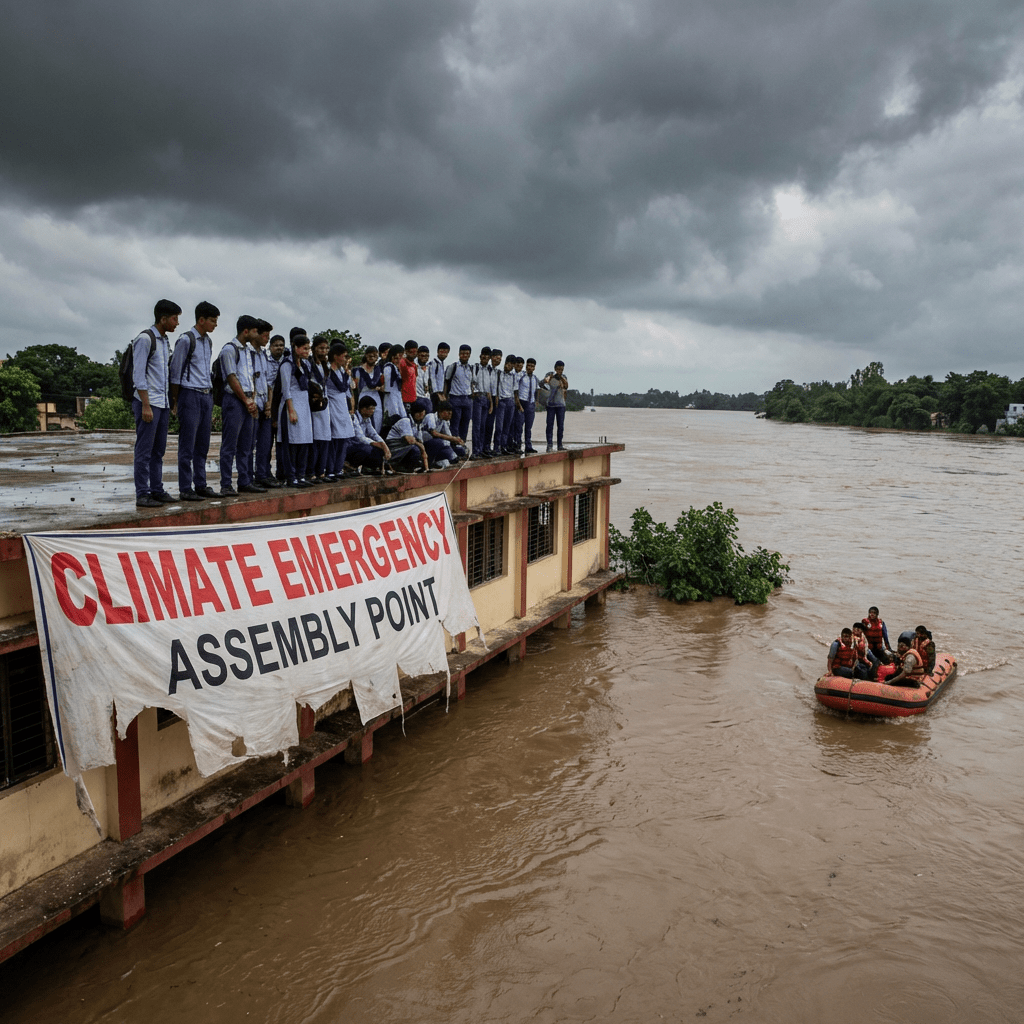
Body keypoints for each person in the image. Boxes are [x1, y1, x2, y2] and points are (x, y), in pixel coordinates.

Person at [131, 299, 181, 508]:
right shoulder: (145, 339)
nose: (177, 323)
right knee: (144, 451)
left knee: (158, 451)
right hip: (148, 403)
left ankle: (157, 489)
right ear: (163, 319)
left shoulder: (164, 341)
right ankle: (143, 493)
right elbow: (138, 374)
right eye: (174, 318)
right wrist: (145, 404)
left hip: (162, 403)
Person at [169, 300, 219, 501]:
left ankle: (200, 484)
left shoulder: (207, 341)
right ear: (201, 320)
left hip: (206, 394)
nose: (215, 324)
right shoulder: (186, 340)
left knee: (203, 444)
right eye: (213, 321)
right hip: (189, 394)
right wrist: (175, 401)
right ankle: (185, 488)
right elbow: (175, 373)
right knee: (187, 444)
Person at [218, 315, 263, 496]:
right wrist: (246, 400)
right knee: (230, 444)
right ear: (246, 331)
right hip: (234, 400)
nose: (257, 334)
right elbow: (231, 377)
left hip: (247, 400)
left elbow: (249, 378)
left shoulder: (247, 351)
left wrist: (251, 400)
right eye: (255, 331)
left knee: (246, 445)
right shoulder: (229, 350)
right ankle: (226, 484)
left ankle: (245, 480)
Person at [277, 334, 314, 487]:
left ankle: (301, 474)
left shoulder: (305, 365)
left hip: (304, 404)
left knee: (304, 441)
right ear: (296, 348)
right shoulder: (287, 364)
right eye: (304, 348)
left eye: (308, 348)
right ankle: (291, 477)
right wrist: (291, 409)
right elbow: (286, 389)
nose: (307, 351)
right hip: (291, 404)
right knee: (291, 442)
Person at [251, 318, 280, 489]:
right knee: (249, 445)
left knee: (265, 444)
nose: (267, 338)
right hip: (253, 404)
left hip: (265, 404)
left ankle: (263, 474)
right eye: (265, 335)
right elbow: (249, 379)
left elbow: (268, 382)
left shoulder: (262, 354)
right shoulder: (248, 353)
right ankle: (249, 477)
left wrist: (269, 403)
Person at [325, 341, 355, 480]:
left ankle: (338, 468)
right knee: (334, 440)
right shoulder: (328, 369)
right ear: (336, 356)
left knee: (344, 439)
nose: (345, 359)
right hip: (332, 405)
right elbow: (339, 387)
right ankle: (330, 469)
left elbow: (348, 389)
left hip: (342, 405)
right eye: (343, 356)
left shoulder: (342, 371)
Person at [260, 333, 286, 487]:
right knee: (266, 442)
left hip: (283, 404)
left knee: (282, 442)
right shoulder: (265, 361)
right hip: (269, 404)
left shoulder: (286, 362)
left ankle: (281, 472)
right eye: (276, 345)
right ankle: (264, 472)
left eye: (281, 345)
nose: (279, 348)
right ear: (270, 347)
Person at [348, 395, 392, 475]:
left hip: (360, 445)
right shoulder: (354, 418)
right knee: (367, 448)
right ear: (363, 409)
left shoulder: (367, 419)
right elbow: (360, 437)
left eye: (373, 409)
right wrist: (376, 444)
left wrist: (384, 445)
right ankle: (351, 467)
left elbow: (373, 434)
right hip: (351, 446)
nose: (373, 411)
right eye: (371, 409)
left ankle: (373, 467)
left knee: (379, 448)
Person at [309, 336, 332, 482]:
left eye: (325, 348)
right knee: (315, 439)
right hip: (313, 404)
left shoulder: (325, 366)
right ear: (314, 349)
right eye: (321, 348)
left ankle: (321, 471)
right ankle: (311, 472)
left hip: (324, 403)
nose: (323, 351)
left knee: (324, 438)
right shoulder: (310, 364)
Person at [385, 403, 430, 473]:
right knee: (415, 449)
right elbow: (410, 440)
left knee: (421, 447)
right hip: (393, 446)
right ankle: (402, 467)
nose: (422, 417)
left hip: (403, 446)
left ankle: (415, 467)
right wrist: (421, 448)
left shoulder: (417, 424)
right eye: (422, 414)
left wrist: (423, 450)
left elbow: (420, 441)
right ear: (418, 414)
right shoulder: (406, 421)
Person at [444, 343, 474, 443]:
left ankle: (462, 445)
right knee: (454, 424)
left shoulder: (471, 368)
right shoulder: (453, 366)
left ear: (469, 355)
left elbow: (472, 383)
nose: (464, 356)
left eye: (466, 354)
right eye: (462, 353)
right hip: (455, 399)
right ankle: (454, 446)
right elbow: (446, 381)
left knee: (465, 424)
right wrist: (445, 398)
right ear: (459, 354)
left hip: (467, 399)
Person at [423, 400, 468, 465]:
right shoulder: (431, 416)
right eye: (448, 413)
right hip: (427, 444)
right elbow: (434, 433)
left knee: (460, 450)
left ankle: (439, 460)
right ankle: (430, 462)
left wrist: (457, 440)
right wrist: (452, 438)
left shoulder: (444, 421)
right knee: (439, 442)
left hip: (438, 444)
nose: (450, 415)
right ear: (441, 411)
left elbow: (448, 436)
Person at [469, 345, 493, 460]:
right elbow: (471, 382)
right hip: (477, 398)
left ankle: (482, 449)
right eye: (483, 355)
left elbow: (489, 389)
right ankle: (475, 451)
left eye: (487, 356)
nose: (485, 357)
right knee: (476, 426)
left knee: (483, 426)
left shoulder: (489, 370)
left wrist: (491, 404)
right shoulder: (475, 367)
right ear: (480, 356)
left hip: (486, 399)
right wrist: (473, 394)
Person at [353, 346, 384, 432]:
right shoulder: (357, 370)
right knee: (363, 418)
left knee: (377, 418)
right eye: (370, 356)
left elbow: (383, 384)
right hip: (363, 395)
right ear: (366, 356)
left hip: (375, 395)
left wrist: (381, 387)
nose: (372, 358)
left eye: (375, 356)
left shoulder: (379, 369)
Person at [540, 360, 568, 451]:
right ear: (555, 368)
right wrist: (548, 379)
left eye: (562, 369)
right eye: (558, 369)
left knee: (560, 426)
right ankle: (550, 445)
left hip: (561, 405)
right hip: (551, 405)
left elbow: (566, 386)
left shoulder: (564, 377)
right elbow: (542, 383)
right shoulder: (550, 374)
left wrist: (561, 378)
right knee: (549, 425)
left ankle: (560, 445)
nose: (560, 371)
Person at [493, 353, 518, 454]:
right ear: (505, 363)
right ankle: (496, 447)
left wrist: (517, 404)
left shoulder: (513, 376)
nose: (510, 367)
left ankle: (503, 447)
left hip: (510, 402)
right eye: (509, 364)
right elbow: (495, 387)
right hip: (501, 402)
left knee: (507, 427)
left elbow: (515, 391)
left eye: (512, 365)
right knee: (499, 427)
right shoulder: (499, 373)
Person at [517, 357, 539, 453]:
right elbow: (516, 390)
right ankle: (517, 446)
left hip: (531, 404)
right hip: (522, 402)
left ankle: (528, 446)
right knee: (519, 426)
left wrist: (536, 401)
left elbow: (537, 390)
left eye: (532, 366)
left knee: (528, 427)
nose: (530, 367)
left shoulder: (535, 378)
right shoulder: (521, 376)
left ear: (534, 368)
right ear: (526, 366)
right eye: (528, 365)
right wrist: (517, 403)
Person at [483, 348, 503, 456]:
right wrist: (491, 402)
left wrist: (497, 398)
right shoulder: (487, 370)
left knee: (491, 425)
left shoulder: (497, 372)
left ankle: (488, 447)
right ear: (491, 357)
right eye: (496, 357)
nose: (498, 360)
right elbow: (487, 387)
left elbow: (497, 387)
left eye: (500, 359)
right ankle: (483, 447)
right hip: (487, 399)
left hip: (494, 400)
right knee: (485, 424)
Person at [428, 342, 450, 410]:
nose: (444, 354)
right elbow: (432, 378)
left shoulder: (442, 364)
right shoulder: (434, 363)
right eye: (442, 352)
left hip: (441, 393)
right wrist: (437, 393)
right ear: (438, 351)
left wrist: (444, 393)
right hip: (435, 394)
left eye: (446, 352)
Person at [400, 340, 420, 409]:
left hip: (413, 397)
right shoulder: (402, 362)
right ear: (406, 351)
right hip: (404, 398)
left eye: (415, 352)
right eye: (411, 352)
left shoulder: (414, 365)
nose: (414, 354)